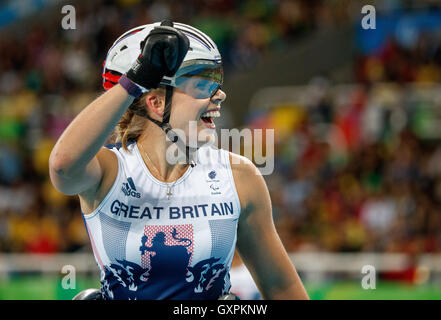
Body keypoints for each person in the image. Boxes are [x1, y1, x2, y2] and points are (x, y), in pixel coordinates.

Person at [49, 20, 309, 300]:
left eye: (217, 85)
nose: (219, 95)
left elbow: (283, 289)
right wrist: (135, 79)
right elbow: (63, 165)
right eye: (202, 86)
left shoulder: (239, 175)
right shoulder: (110, 169)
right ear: (156, 103)